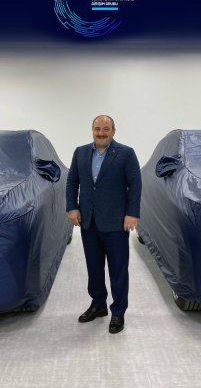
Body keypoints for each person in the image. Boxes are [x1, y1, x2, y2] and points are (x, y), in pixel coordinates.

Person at [66, 115, 141, 334]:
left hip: (116, 223)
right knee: (94, 268)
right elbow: (72, 182)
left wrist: (132, 214)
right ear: (92, 130)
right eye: (97, 128)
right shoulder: (80, 152)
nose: (101, 133)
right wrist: (72, 207)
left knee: (118, 270)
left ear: (113, 131)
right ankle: (98, 304)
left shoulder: (126, 153)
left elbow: (135, 185)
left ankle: (118, 312)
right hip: (88, 222)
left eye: (106, 129)